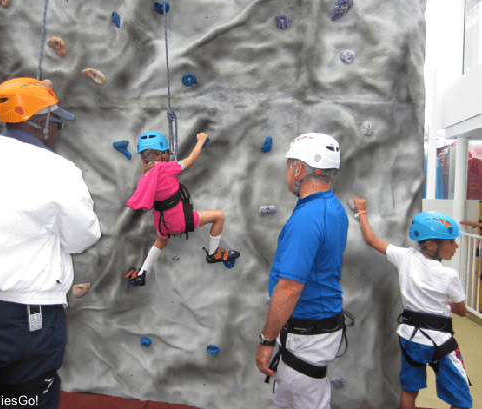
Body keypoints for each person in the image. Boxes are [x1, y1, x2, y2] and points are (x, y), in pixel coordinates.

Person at [0, 77, 101, 409]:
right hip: (21, 319)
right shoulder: (60, 171)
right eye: (56, 121)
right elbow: (83, 237)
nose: (58, 130)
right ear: (39, 121)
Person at [255, 133, 348, 409]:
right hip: (316, 328)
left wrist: (266, 341)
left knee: (306, 402)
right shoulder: (332, 207)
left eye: (289, 165)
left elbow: (290, 288)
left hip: (307, 333)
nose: (287, 172)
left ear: (298, 169)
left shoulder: (308, 217)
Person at [353, 198, 472, 409]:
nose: (455, 246)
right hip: (440, 342)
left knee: (409, 389)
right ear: (432, 244)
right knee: (460, 397)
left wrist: (361, 211)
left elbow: (372, 240)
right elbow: (462, 311)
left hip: (410, 338)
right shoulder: (449, 275)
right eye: (451, 241)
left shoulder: (405, 257)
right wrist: (449, 304)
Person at [125, 130, 240, 286]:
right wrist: (200, 141)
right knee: (219, 216)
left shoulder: (146, 175)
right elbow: (191, 160)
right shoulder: (166, 168)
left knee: (161, 241)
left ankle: (142, 273)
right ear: (163, 153)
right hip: (178, 220)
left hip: (162, 223)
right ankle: (213, 254)